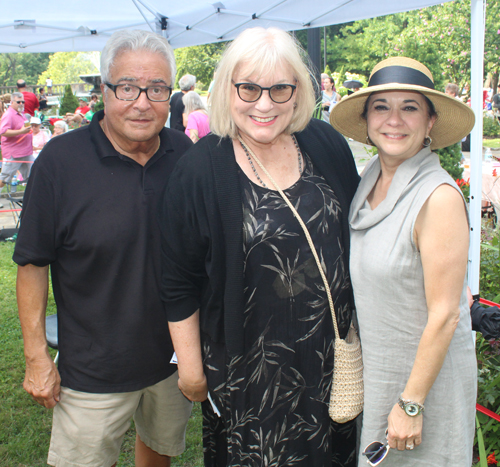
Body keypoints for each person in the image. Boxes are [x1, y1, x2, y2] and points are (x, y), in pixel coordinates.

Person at [159, 26, 360, 467]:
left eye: (280, 89)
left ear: (299, 91)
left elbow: (360, 232)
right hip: (248, 373)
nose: (264, 104)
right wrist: (191, 368)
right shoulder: (199, 170)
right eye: (248, 88)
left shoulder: (325, 144)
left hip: (330, 361)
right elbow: (176, 280)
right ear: (227, 89)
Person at [14, 29, 193, 467]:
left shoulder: (184, 154)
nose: (142, 102)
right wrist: (36, 356)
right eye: (128, 87)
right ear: (105, 89)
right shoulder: (60, 161)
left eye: (156, 89)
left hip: (172, 362)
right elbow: (32, 263)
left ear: (170, 95)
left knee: (159, 452)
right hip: (93, 370)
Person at [330, 57, 477, 466]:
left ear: (430, 122)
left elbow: (446, 313)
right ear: (367, 119)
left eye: (409, 107)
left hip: (425, 388)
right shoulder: (371, 177)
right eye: (382, 107)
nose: (394, 119)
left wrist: (411, 404)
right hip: (382, 373)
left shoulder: (438, 197)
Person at [0, 92, 33, 189]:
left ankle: (32, 198)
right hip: (14, 154)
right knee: (4, 179)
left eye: (23, 101)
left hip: (26, 153)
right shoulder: (9, 115)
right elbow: (3, 132)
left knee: (34, 175)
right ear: (12, 102)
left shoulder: (21, 113)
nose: (21, 104)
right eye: (18, 102)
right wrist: (21, 131)